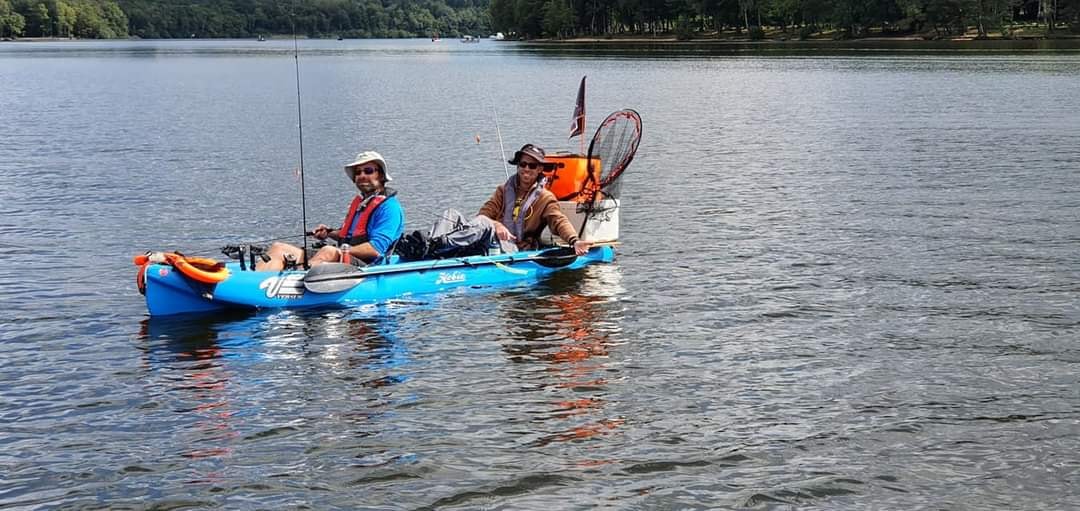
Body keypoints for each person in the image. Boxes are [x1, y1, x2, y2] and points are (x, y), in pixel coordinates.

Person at [256, 151, 405, 271]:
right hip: (343, 257)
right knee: (278, 248)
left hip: (368, 267)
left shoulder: (389, 208)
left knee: (329, 251)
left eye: (368, 171)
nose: (362, 176)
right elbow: (350, 236)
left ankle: (292, 282)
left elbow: (375, 249)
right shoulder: (362, 203)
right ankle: (259, 284)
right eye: (358, 173)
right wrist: (328, 233)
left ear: (380, 175)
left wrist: (342, 251)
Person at [478, 144, 591, 256]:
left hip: (517, 248)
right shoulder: (502, 190)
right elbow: (482, 216)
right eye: (523, 164)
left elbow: (558, 221)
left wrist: (575, 241)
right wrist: (497, 225)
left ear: (540, 169)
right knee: (461, 218)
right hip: (493, 242)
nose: (526, 169)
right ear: (518, 166)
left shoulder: (545, 198)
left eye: (532, 166)